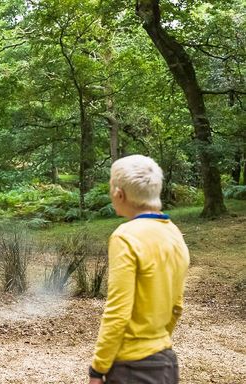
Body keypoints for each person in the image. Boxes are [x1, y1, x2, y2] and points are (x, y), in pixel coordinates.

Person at [88, 155, 190, 384]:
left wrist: (98, 368)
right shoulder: (174, 233)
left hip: (131, 368)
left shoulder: (125, 236)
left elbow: (118, 311)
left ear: (119, 193)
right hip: (165, 363)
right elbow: (177, 307)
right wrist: (156, 344)